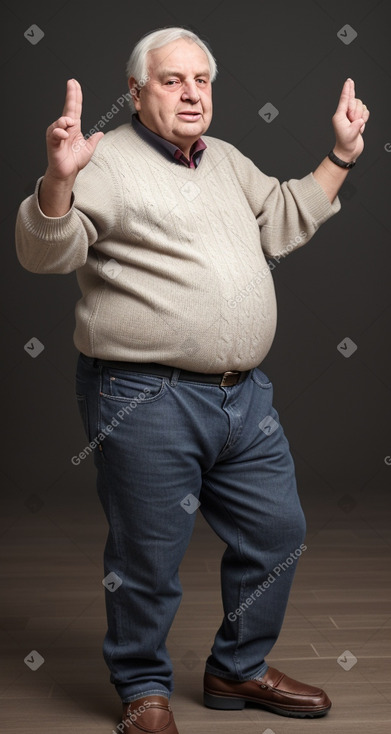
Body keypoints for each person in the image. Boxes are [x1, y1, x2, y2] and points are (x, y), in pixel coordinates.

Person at [15, 26, 369, 734]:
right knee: (148, 553)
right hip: (143, 396)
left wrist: (342, 154)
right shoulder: (104, 160)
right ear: (136, 92)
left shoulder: (226, 161)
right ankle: (142, 689)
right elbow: (43, 254)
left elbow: (283, 217)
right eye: (172, 80)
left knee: (277, 531)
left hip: (244, 396)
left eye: (201, 80)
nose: (190, 93)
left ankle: (237, 668)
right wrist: (58, 179)